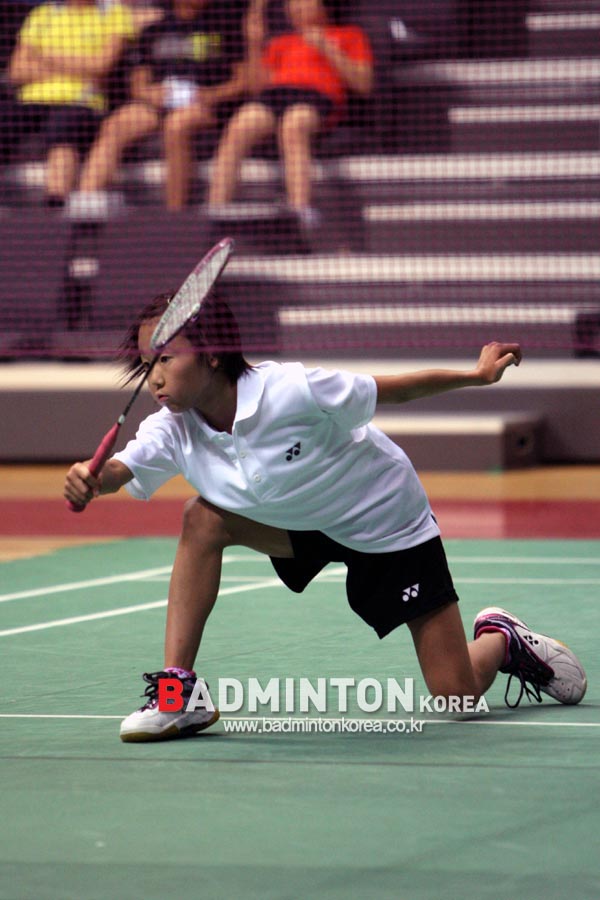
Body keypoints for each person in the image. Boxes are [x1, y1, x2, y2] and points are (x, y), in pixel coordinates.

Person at [64, 292, 588, 742]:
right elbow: (121, 469)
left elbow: (394, 388)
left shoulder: (290, 390)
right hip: (302, 525)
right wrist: (92, 479)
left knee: (457, 697)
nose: (154, 376)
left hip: (384, 523)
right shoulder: (173, 427)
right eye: (146, 364)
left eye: (166, 358)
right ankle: (178, 693)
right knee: (201, 518)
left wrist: (475, 376)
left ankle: (502, 638)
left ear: (214, 355)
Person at [207, 0, 373, 231]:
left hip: (317, 96)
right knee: (239, 125)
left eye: (303, 3)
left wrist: (326, 47)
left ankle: (299, 209)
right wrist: (254, 45)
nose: (295, 8)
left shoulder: (349, 35)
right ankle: (215, 210)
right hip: (277, 94)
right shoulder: (281, 42)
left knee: (293, 124)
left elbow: (364, 84)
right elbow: (257, 87)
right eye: (291, 4)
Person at [75, 0, 250, 211]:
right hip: (159, 104)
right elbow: (138, 84)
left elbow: (243, 81)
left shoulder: (224, 28)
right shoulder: (154, 30)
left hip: (206, 106)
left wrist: (210, 95)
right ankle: (86, 200)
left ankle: (174, 212)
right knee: (117, 123)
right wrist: (150, 93)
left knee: (177, 125)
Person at [5, 0, 161, 206]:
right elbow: (16, 71)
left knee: (63, 128)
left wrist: (45, 57)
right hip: (31, 100)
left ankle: (56, 201)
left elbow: (101, 65)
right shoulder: (44, 13)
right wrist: (79, 66)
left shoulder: (113, 12)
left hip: (80, 102)